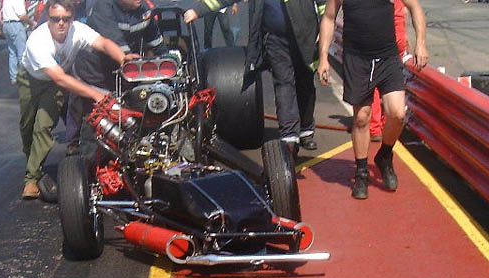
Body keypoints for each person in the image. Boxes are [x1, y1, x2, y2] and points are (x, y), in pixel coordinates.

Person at [18, 0, 137, 199]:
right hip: (31, 79)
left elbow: (103, 43)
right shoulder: (37, 41)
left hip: (55, 83)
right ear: (48, 19)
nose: (61, 23)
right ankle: (32, 159)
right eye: (55, 19)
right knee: (27, 125)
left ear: (72, 18)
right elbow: (60, 77)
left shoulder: (78, 30)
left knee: (43, 125)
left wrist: (122, 57)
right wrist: (95, 94)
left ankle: (31, 178)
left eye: (66, 19)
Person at [318, 0, 428, 199]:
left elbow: (415, 8)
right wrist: (323, 57)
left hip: (388, 58)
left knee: (397, 114)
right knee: (362, 118)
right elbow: (328, 18)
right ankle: (361, 173)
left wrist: (421, 43)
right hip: (356, 60)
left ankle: (384, 155)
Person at [185, 0, 326, 154]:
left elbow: (323, 4)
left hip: (305, 38)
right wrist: (197, 11)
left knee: (305, 81)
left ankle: (305, 129)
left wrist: (323, 27)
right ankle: (289, 137)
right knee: (283, 83)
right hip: (274, 39)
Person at [64, 0, 168, 154]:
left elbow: (155, 40)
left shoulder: (144, 9)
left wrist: (169, 59)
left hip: (123, 71)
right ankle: (79, 153)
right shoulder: (102, 8)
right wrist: (127, 59)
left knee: (128, 114)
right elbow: (116, 43)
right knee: (93, 119)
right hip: (94, 74)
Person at [370, 0, 409, 142]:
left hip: (381, 39)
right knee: (392, 84)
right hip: (397, 37)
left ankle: (375, 128)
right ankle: (385, 124)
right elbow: (404, 12)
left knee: (373, 83)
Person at [1, 0, 36, 85]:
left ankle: (14, 77)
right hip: (16, 25)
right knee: (22, 53)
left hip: (6, 24)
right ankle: (23, 76)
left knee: (12, 52)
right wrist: (32, 23)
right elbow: (22, 15)